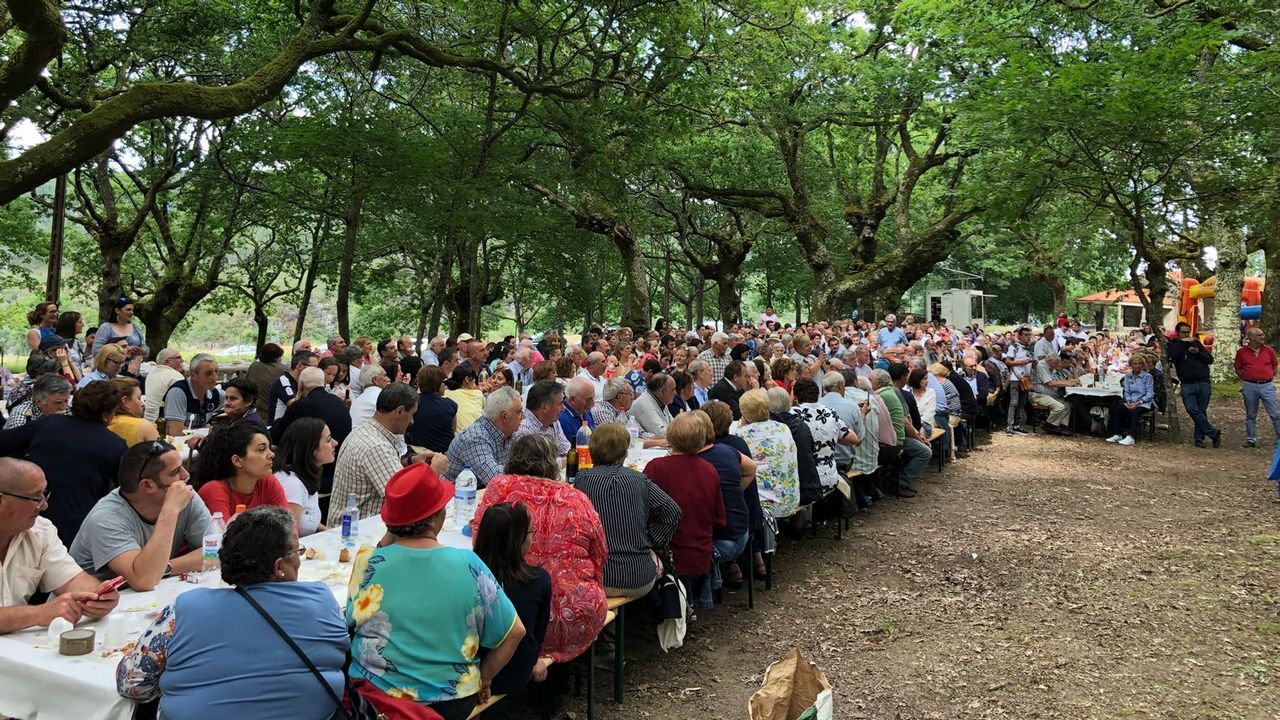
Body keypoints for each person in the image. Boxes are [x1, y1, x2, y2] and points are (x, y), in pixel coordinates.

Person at [117, 507, 347, 720]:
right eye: (297, 551)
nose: (299, 558)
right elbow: (340, 653)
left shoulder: (186, 608)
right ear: (278, 567)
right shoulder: (322, 601)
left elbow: (132, 683)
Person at [348, 464, 526, 720]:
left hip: (375, 696)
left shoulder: (368, 561)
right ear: (438, 516)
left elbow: (351, 622)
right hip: (450, 700)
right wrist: (483, 679)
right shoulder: (468, 564)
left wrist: (396, 526)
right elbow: (515, 632)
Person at [472, 434, 607, 664]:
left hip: (510, 614)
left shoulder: (500, 487)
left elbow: (480, 540)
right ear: (551, 462)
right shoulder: (574, 497)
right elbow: (600, 553)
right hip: (575, 616)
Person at [0, 458, 121, 633]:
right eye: (36, 497)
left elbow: (72, 580)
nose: (44, 505)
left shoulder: (40, 531)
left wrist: (98, 597)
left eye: (44, 495)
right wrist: (38, 614)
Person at [70, 440, 211, 589]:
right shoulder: (105, 518)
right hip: (89, 608)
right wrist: (170, 511)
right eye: (175, 472)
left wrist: (165, 568)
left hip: (145, 600)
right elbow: (144, 580)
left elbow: (217, 552)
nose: (186, 475)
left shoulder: (182, 495)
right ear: (147, 485)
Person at [0, 380, 127, 546]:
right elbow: (127, 490)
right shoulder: (115, 445)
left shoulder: (47, 424)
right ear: (107, 414)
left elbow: (3, 443)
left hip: (31, 515)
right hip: (80, 526)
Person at [574, 423, 681, 598]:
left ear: (592, 450)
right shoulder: (639, 480)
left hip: (599, 576)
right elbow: (672, 512)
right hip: (639, 577)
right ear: (624, 452)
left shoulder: (582, 480)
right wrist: (651, 540)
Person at [472, 501, 552, 698]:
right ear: (518, 540)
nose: (533, 538)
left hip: (471, 672)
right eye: (530, 532)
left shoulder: (470, 577)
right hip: (517, 671)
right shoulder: (538, 580)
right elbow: (538, 632)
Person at [643, 412, 725, 602]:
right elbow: (719, 518)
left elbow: (643, 515)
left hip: (668, 554)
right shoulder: (709, 470)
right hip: (702, 550)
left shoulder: (656, 467)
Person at [328, 383, 419, 524]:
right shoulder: (377, 446)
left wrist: (410, 461)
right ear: (400, 411)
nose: (412, 421)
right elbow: (405, 500)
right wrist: (433, 471)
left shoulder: (366, 431)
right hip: (358, 535)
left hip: (348, 528)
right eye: (412, 414)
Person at [689, 411, 755, 606]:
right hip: (742, 531)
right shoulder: (728, 451)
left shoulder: (696, 463)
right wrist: (733, 493)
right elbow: (751, 468)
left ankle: (691, 601)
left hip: (718, 543)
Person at [191, 421, 289, 517]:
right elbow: (224, 533)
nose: (272, 454)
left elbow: (290, 529)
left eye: (269, 448)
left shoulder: (267, 481)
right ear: (237, 460)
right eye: (261, 449)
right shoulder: (214, 490)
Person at [445, 386, 523, 488]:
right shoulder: (474, 438)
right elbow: (496, 480)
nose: (523, 416)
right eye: (519, 412)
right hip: (458, 498)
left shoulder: (510, 434)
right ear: (504, 416)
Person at [273, 418, 336, 536]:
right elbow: (291, 538)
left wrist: (333, 534)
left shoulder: (307, 474)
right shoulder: (292, 484)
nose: (335, 443)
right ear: (311, 448)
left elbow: (308, 521)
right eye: (328, 440)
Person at [1166, 322, 1219, 448]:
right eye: (1183, 332)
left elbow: (1209, 359)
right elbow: (1173, 356)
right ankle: (1213, 433)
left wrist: (1197, 352)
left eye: (1187, 332)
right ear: (1177, 333)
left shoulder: (1196, 343)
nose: (1186, 334)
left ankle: (1199, 438)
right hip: (1187, 383)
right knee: (1191, 408)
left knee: (1201, 410)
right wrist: (1182, 343)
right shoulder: (1173, 344)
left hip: (1203, 381)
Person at [269, 366, 352, 446]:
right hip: (340, 452)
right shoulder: (338, 401)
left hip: (317, 456)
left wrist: (297, 400)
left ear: (301, 384)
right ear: (323, 383)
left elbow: (275, 434)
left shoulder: (301, 405)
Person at [1234, 327, 1280, 449]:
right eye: (1260, 335)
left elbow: (1275, 366)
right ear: (1252, 337)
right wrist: (1248, 378)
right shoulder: (1242, 352)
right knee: (1251, 414)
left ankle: (1279, 438)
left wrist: (1267, 376)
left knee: (1275, 413)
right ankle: (1251, 439)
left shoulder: (1269, 351)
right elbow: (1238, 368)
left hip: (1267, 385)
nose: (1263, 337)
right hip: (1250, 385)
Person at [162, 353, 224, 436]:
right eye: (208, 373)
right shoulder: (178, 392)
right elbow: (175, 432)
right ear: (193, 375)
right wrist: (205, 431)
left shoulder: (217, 394)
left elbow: (242, 402)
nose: (215, 377)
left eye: (216, 371)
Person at [1106, 355, 1155, 446]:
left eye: (1139, 364)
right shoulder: (1128, 376)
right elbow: (1127, 391)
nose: (1137, 366)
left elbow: (1150, 394)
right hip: (1131, 401)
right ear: (1131, 365)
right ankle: (1117, 434)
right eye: (1135, 364)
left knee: (1136, 412)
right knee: (1117, 409)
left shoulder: (1148, 377)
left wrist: (1137, 403)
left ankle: (1131, 436)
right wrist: (1128, 402)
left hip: (1144, 403)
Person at [514, 380, 572, 454]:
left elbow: (568, 452)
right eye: (560, 404)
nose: (563, 409)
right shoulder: (523, 428)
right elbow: (537, 464)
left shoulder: (553, 421)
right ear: (544, 407)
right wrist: (563, 460)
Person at [410, 365, 458, 453]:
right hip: (446, 453)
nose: (445, 385)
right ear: (437, 384)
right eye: (444, 382)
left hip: (419, 453)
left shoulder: (411, 404)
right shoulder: (450, 405)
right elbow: (453, 429)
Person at [2, 373, 71, 430]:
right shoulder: (22, 416)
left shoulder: (69, 411)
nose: (63, 407)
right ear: (38, 401)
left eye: (66, 401)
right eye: (58, 403)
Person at [1030, 354, 1076, 436]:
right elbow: (1050, 383)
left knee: (1067, 406)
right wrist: (1068, 384)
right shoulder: (1041, 366)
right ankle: (1049, 425)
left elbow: (1056, 380)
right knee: (1059, 407)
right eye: (1055, 363)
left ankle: (1062, 426)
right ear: (1049, 360)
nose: (1057, 365)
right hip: (1038, 395)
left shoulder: (1050, 367)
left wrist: (1069, 382)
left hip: (1049, 395)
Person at [107, 377, 160, 446]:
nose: (142, 403)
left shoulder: (102, 423)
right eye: (139, 398)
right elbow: (162, 455)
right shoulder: (144, 427)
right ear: (125, 401)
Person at [268, 351, 316, 425]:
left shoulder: (303, 382)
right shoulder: (283, 381)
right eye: (314, 367)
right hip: (278, 429)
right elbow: (295, 405)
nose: (316, 371)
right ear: (300, 366)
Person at [1004, 326, 1034, 436]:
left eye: (1029, 335)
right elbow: (1008, 361)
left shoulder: (1030, 348)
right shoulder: (1014, 347)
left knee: (1022, 403)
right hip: (1015, 378)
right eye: (1025, 335)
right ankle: (1010, 426)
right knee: (1014, 402)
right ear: (1020, 336)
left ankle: (1019, 425)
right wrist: (1021, 362)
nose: (1028, 337)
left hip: (1026, 378)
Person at [144, 348, 186, 423]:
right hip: (164, 422)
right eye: (179, 358)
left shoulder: (151, 374)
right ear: (167, 362)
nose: (182, 361)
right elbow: (184, 402)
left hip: (147, 420)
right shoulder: (175, 376)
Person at [245, 343, 286, 417]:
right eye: (280, 357)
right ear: (275, 358)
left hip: (254, 409)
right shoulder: (282, 370)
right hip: (272, 412)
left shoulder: (253, 366)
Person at [631, 372, 676, 439]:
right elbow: (660, 433)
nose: (675, 393)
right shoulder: (643, 404)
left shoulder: (661, 400)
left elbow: (675, 424)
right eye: (673, 389)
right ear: (662, 391)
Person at [348, 363, 391, 430]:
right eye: (385, 375)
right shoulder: (381, 397)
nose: (388, 379)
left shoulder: (357, 400)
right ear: (375, 380)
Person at [445, 366, 485, 432]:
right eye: (474, 378)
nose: (475, 381)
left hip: (454, 439)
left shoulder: (445, 393)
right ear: (467, 379)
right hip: (475, 435)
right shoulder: (477, 394)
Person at [557, 375, 596, 441]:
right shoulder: (562, 419)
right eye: (588, 400)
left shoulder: (585, 411)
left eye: (593, 398)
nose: (593, 404)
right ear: (572, 400)